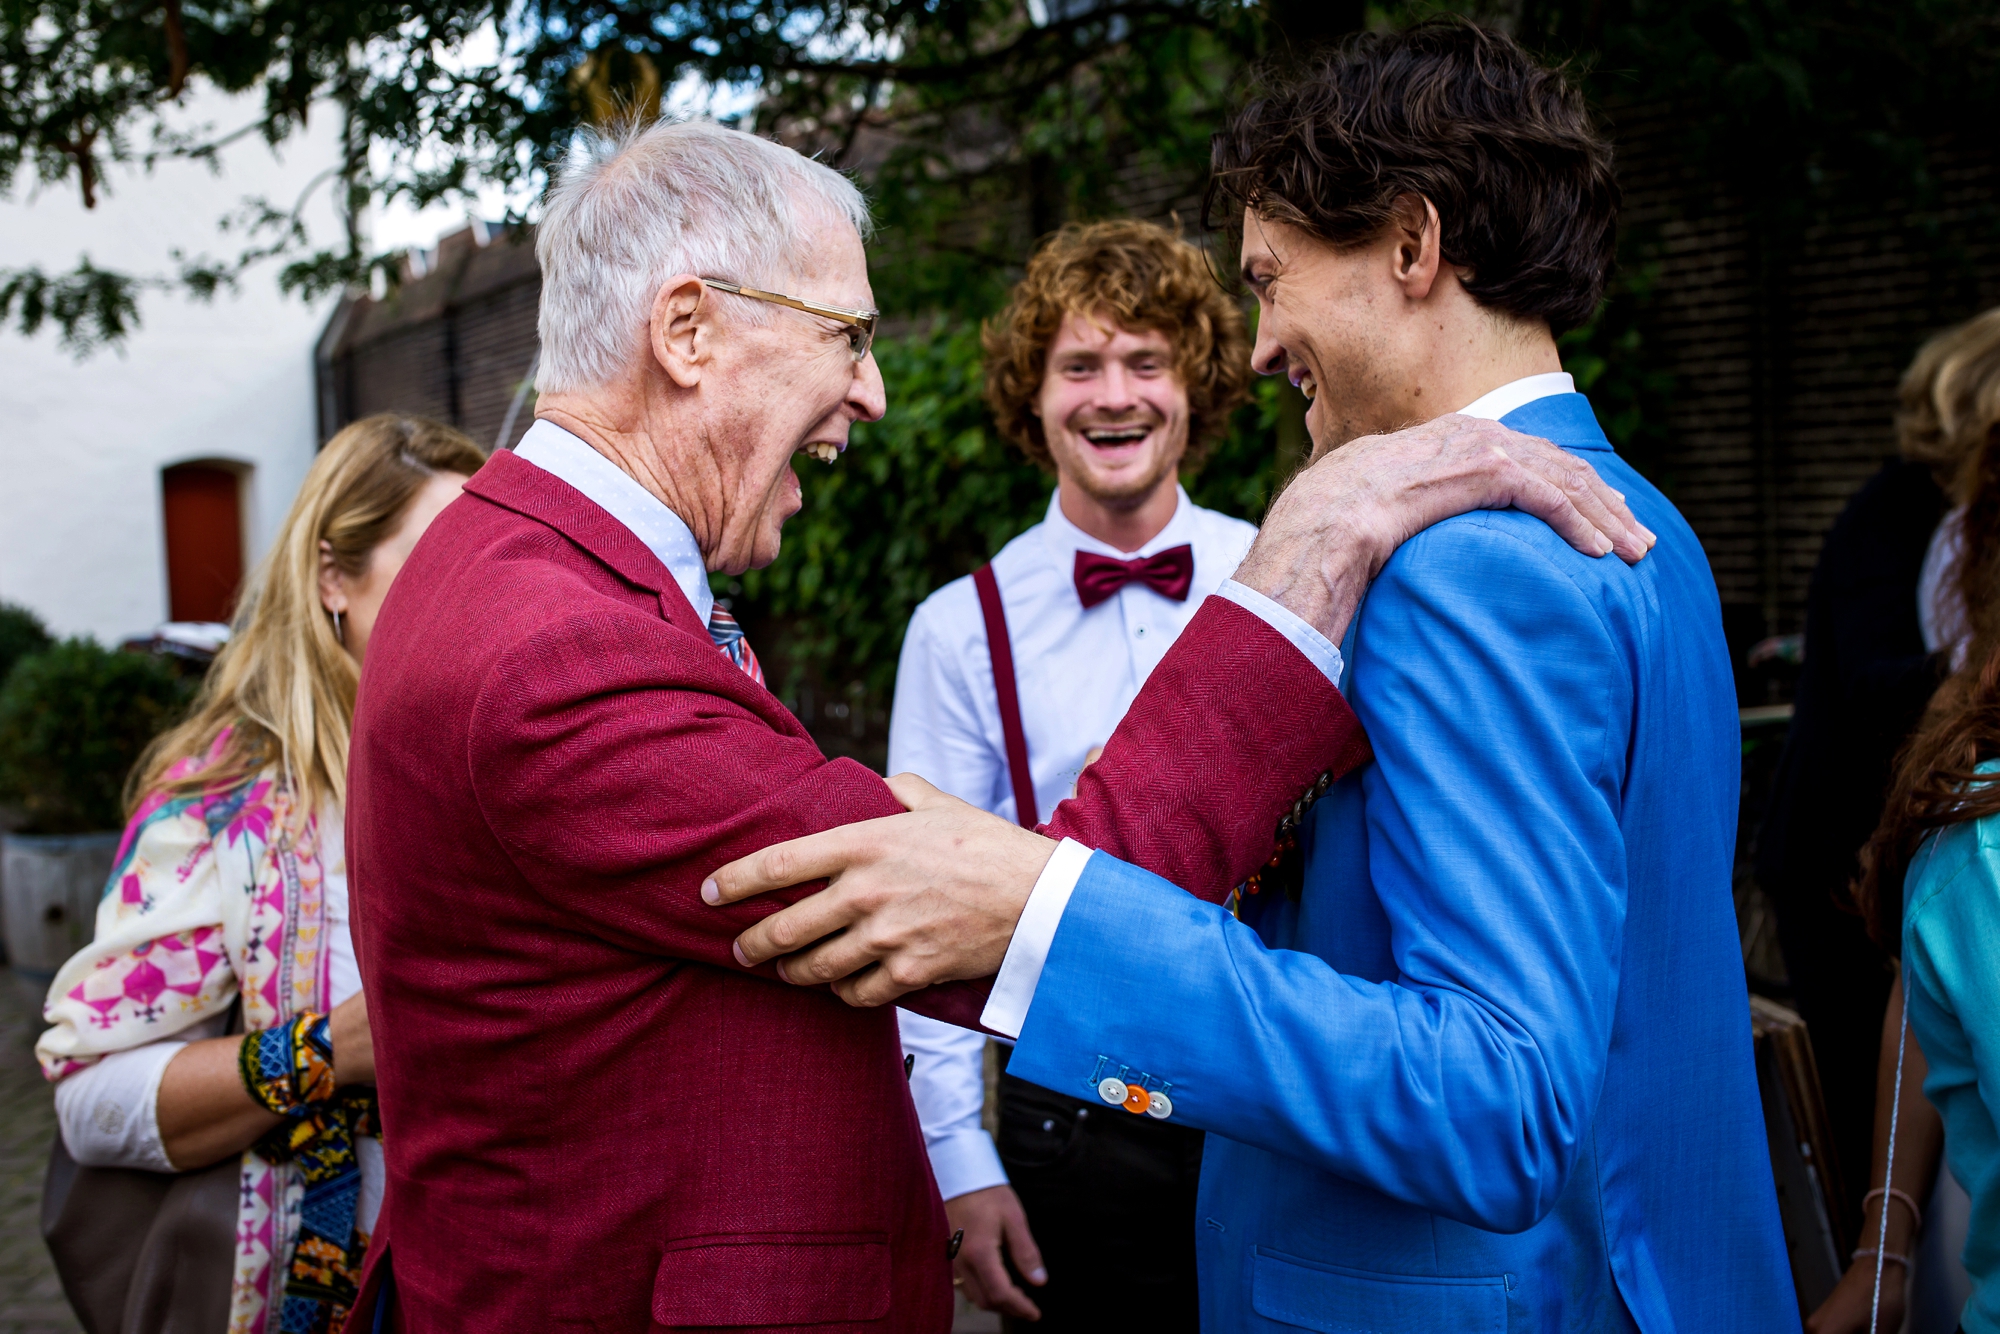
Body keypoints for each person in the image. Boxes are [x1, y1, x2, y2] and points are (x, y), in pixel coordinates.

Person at [342, 117, 1646, 1332]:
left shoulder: (533, 576)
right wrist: (1311, 543)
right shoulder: (552, 648)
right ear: (688, 330)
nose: (871, 393)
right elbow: (982, 908)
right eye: (846, 336)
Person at [708, 21, 1796, 1331]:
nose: (1263, 338)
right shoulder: (1646, 524)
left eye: (1272, 277)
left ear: (1411, 243)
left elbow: (1500, 1097)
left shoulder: (1474, 563)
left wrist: (1043, 910)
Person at [36, 415, 483, 1334]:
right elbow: (90, 1099)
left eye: (486, 570)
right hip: (314, 1296)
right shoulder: (224, 806)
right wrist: (324, 1051)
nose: (470, 600)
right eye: (434, 566)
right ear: (332, 579)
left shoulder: (488, 768)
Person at [891, 218, 1255, 1323]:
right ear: (1032, 394)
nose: (1115, 395)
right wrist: (959, 1156)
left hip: (1272, 1082)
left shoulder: (1279, 572)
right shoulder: (961, 630)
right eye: (1079, 365)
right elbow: (924, 903)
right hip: (1073, 1114)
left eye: (1145, 361)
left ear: (1191, 381)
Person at [1762, 312, 2000, 1264]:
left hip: (1919, 844)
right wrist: (1972, 664)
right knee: (1877, 1078)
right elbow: (1864, 679)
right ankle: (1874, 1260)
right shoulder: (1896, 512)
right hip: (1848, 851)